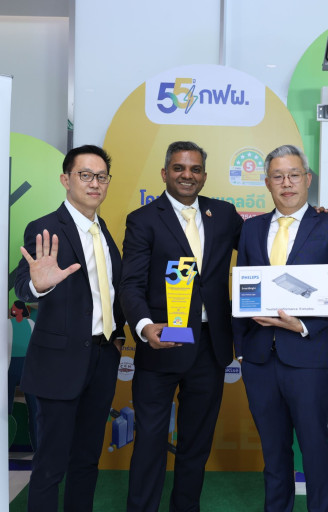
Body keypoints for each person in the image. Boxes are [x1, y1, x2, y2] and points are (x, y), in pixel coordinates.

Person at [232, 145, 328, 512]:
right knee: (273, 452)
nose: (286, 183)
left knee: (315, 448)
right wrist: (241, 349)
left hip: (308, 358)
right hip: (259, 360)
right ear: (267, 183)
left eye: (293, 175)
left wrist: (303, 324)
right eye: (278, 176)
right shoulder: (251, 228)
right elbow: (241, 289)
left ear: (307, 179)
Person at [120, 140, 244, 511]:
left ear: (204, 176)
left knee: (196, 444)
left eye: (194, 169)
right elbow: (130, 284)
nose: (186, 175)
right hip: (161, 343)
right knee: (150, 441)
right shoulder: (142, 219)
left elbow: (262, 242)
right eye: (179, 168)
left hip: (210, 345)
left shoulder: (224, 214)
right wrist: (145, 327)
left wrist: (307, 215)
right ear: (164, 173)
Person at [13, 144, 126, 512]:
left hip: (102, 358)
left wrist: (118, 336)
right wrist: (38, 286)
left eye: (101, 177)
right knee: (50, 465)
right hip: (58, 365)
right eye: (85, 175)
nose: (95, 183)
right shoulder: (45, 228)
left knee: (87, 461)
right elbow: (23, 284)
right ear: (66, 179)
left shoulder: (103, 232)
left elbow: (110, 292)